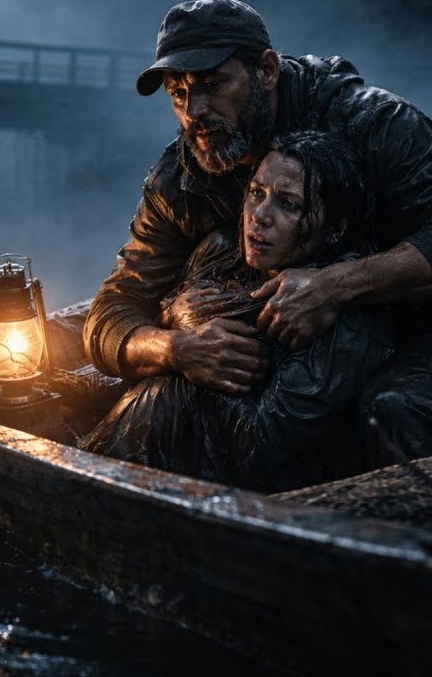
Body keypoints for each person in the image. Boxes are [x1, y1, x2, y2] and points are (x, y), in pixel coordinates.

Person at [83, 0, 432, 471]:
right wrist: (176, 348)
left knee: (396, 407)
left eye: (213, 84)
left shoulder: (369, 121)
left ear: (266, 71)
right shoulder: (182, 176)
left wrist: (335, 286)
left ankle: (427, 535)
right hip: (308, 334)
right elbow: (114, 307)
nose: (194, 112)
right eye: (178, 93)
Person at [80, 131, 391, 492]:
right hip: (138, 468)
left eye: (288, 204)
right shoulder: (224, 248)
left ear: (335, 228)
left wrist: (192, 339)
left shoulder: (343, 317)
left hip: (235, 498)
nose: (259, 216)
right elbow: (155, 311)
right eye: (257, 193)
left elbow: (264, 449)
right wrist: (181, 341)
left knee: (159, 397)